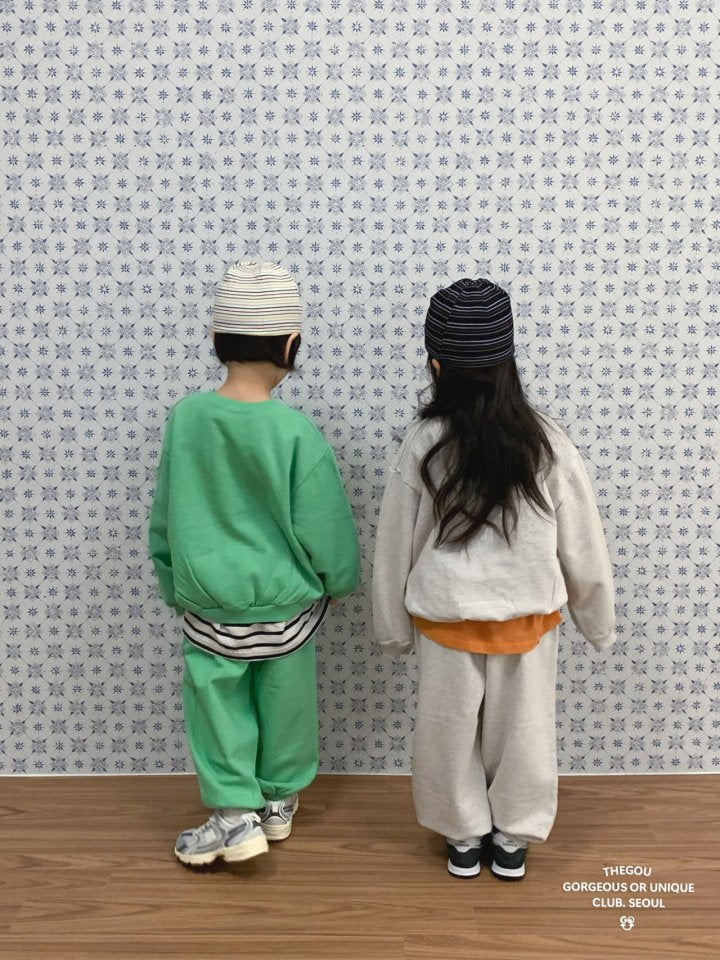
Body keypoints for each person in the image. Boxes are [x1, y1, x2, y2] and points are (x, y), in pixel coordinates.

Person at [372, 278, 615, 881]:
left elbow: (395, 543)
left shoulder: (426, 443)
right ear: (509, 360)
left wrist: (392, 629)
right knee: (525, 734)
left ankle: (462, 835)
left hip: (447, 623)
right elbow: (583, 542)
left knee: (447, 733)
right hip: (528, 622)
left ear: (435, 364)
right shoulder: (546, 442)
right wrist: (597, 620)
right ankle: (513, 837)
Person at [149, 260, 360, 867]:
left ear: (216, 338)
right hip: (287, 608)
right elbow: (324, 523)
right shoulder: (296, 432)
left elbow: (166, 512)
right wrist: (340, 580)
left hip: (210, 604)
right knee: (286, 705)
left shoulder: (187, 419)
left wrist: (171, 579)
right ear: (292, 345)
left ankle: (233, 817)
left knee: (217, 708)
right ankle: (278, 804)